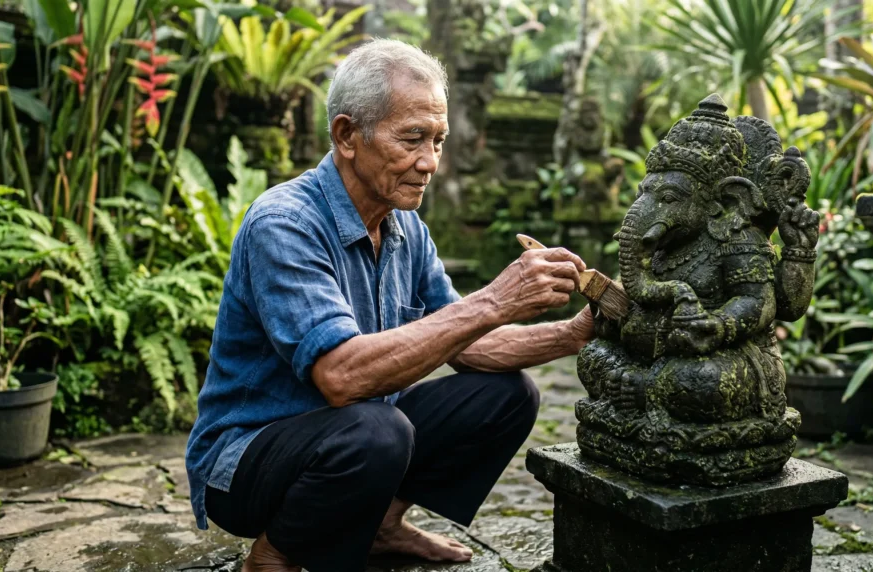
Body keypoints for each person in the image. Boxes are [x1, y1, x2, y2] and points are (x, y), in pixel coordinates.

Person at [185, 38, 596, 572]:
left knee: (506, 395)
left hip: (351, 438)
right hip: (247, 463)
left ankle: (381, 527)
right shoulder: (284, 223)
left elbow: (471, 348)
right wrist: (495, 299)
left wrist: (578, 332)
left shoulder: (406, 228)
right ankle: (273, 556)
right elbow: (342, 379)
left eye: (439, 140)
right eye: (413, 139)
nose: (430, 163)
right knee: (379, 430)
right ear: (347, 135)